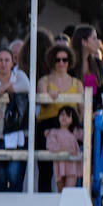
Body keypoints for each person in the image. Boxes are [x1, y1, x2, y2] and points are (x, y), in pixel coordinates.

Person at [0, 47, 30, 193]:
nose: (3, 64)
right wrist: (9, 87)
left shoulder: (19, 75)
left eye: (7, 60)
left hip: (16, 133)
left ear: (12, 62)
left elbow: (26, 86)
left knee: (14, 173)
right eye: (0, 60)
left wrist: (4, 88)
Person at [35, 44, 82, 192]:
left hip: (69, 130)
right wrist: (49, 97)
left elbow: (81, 110)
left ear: (69, 61)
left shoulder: (77, 83)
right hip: (48, 128)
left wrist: (78, 130)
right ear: (52, 61)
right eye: (57, 60)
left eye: (64, 59)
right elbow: (42, 100)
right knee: (45, 169)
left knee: (70, 169)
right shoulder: (44, 81)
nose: (61, 63)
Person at [70, 24, 103, 107]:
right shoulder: (70, 63)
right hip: (75, 110)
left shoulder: (97, 62)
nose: (98, 42)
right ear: (84, 42)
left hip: (96, 110)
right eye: (94, 38)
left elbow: (101, 89)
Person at [46, 106, 83, 190]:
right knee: (61, 191)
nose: (64, 117)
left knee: (69, 191)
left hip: (72, 164)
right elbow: (51, 146)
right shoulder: (53, 132)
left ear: (72, 119)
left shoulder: (74, 131)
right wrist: (66, 150)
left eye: (68, 115)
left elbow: (86, 135)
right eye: (62, 114)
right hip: (59, 164)